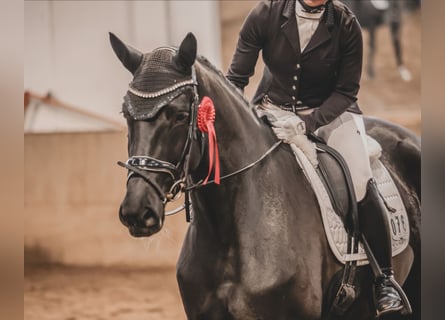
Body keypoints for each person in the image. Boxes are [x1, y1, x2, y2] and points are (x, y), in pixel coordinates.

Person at [226, 0, 406, 317]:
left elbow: (347, 91)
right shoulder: (266, 13)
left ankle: (384, 281)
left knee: (361, 180)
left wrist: (308, 124)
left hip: (332, 115)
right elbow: (237, 78)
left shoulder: (347, 24)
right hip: (274, 109)